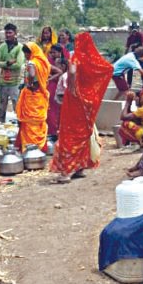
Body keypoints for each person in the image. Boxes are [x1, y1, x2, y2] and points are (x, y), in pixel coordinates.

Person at [50, 33, 112, 183]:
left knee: (70, 133)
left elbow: (71, 71)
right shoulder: (93, 60)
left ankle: (67, 171)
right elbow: (108, 68)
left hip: (75, 101)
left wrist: (72, 85)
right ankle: (79, 167)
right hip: (88, 102)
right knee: (84, 133)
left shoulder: (76, 58)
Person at [16, 42, 50, 151]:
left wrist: (29, 83)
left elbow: (31, 74)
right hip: (40, 94)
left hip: (31, 95)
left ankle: (29, 147)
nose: (25, 56)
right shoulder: (43, 62)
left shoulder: (32, 63)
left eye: (26, 54)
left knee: (29, 121)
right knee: (39, 122)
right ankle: (40, 147)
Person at [0, 23, 24, 123]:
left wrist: (3, 64)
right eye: (6, 33)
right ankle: (0, 128)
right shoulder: (2, 46)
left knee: (17, 107)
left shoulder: (20, 47)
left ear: (15, 33)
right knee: (1, 108)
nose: (8, 35)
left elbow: (19, 64)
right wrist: (8, 62)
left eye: (10, 33)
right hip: (3, 81)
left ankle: (19, 128)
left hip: (15, 82)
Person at [46, 45, 68, 140]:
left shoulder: (62, 62)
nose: (52, 54)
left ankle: (56, 131)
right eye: (51, 52)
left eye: (54, 52)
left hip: (59, 87)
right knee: (51, 111)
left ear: (60, 52)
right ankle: (52, 131)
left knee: (57, 111)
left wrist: (50, 77)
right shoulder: (49, 60)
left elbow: (61, 73)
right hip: (52, 86)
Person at [124, 22, 143, 87]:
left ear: (138, 28)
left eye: (135, 28)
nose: (134, 29)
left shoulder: (141, 35)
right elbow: (127, 48)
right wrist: (125, 57)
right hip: (133, 55)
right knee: (130, 69)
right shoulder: (130, 38)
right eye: (132, 28)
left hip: (141, 55)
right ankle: (129, 85)